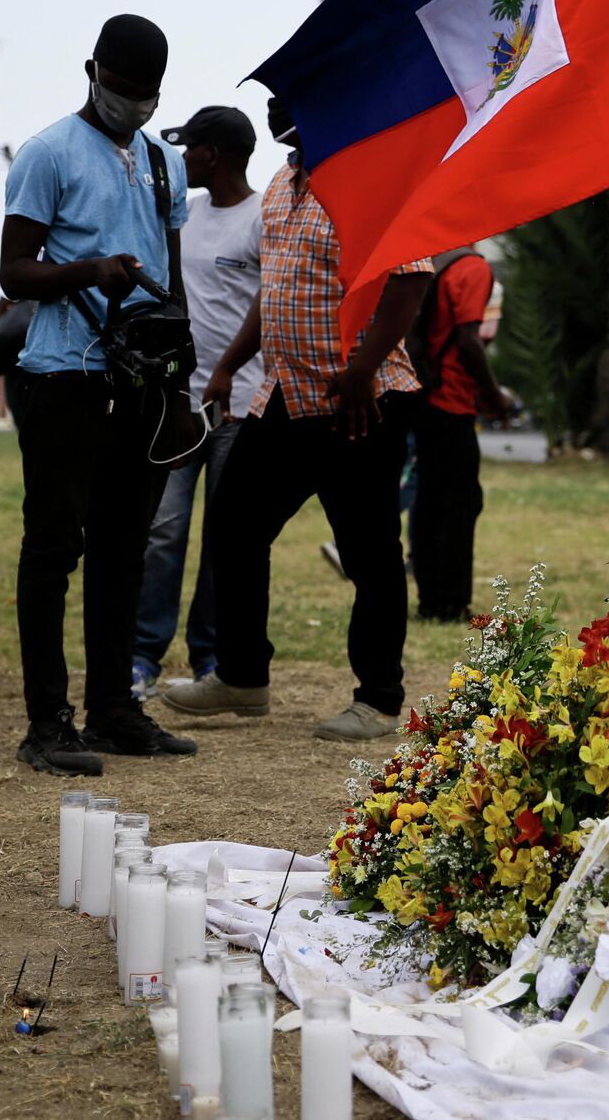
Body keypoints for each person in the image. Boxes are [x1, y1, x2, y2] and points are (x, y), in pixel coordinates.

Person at [160, 99, 434, 741]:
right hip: (285, 395)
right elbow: (276, 285)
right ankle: (242, 677)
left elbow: (411, 279)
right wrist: (230, 363)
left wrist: (364, 368)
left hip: (358, 402)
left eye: (288, 97)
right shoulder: (284, 182)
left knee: (369, 553)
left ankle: (378, 699)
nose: (274, 106)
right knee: (233, 525)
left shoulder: (374, 175)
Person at [0, 13, 198, 774]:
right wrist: (88, 269)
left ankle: (114, 709)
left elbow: (172, 283)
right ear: (92, 72)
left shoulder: (161, 163)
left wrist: (178, 385)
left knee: (123, 553)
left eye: (147, 93)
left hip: (143, 383)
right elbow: (15, 273)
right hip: (64, 378)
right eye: (121, 89)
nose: (134, 103)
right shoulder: (48, 153)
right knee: (54, 548)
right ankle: (47, 723)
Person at [130, 107, 262, 696]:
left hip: (239, 405)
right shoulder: (186, 214)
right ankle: (143, 657)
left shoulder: (263, 218)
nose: (182, 159)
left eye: (190, 149)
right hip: (178, 402)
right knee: (162, 531)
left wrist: (240, 375)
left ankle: (210, 658)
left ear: (213, 155)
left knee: (223, 541)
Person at [410, 245, 508, 621]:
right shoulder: (473, 269)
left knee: (429, 501)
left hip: (426, 395)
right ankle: (451, 602)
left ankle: (430, 599)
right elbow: (469, 340)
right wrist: (494, 395)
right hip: (451, 400)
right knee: (461, 503)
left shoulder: (435, 262)